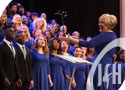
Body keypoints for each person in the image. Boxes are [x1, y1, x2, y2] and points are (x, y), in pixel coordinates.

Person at [60, 13, 117, 90]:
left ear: (107, 24)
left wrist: (70, 39)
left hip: (102, 64)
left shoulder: (105, 35)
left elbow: (89, 43)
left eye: (101, 22)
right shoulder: (113, 35)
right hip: (107, 63)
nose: (99, 24)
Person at [0, 24, 22, 90]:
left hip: (14, 82)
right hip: (5, 82)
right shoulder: (1, 46)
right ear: (4, 33)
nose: (13, 34)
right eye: (11, 32)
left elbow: (16, 63)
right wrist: (4, 77)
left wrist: (18, 77)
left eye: (14, 32)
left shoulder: (14, 47)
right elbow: (0, 64)